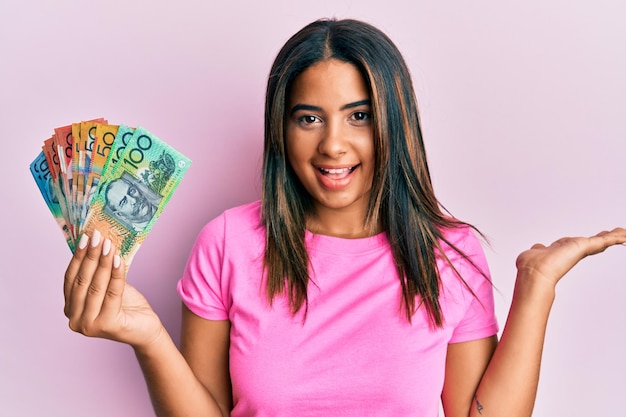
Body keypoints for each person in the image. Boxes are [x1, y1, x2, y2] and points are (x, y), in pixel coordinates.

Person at [63, 18, 626, 417]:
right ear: (281, 132)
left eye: (358, 116)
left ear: (394, 123)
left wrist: (537, 286)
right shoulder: (228, 243)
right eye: (309, 118)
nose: (333, 144)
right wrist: (149, 338)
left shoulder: (451, 256)